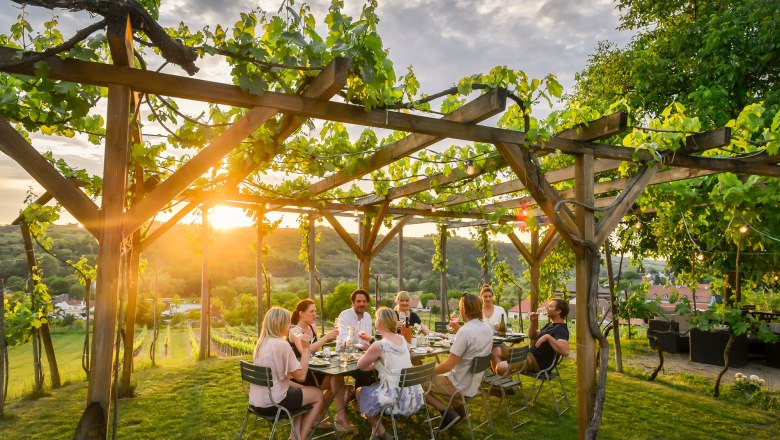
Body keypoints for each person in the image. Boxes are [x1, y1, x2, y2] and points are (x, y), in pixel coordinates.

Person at [250, 307, 324, 440]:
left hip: (257, 402)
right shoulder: (281, 344)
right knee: (318, 394)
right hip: (274, 404)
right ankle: (301, 438)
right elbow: (301, 376)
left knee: (304, 392)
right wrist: (306, 349)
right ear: (280, 324)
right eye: (288, 322)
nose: (290, 325)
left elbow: (281, 378)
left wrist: (304, 388)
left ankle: (294, 436)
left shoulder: (261, 343)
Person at [425, 293, 493, 432]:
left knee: (418, 382)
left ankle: (447, 413)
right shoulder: (487, 328)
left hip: (459, 385)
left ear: (463, 309)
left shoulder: (465, 331)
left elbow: (448, 365)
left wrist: (426, 371)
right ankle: (460, 414)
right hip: (474, 384)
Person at [356, 307, 424, 440]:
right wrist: (378, 363)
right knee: (374, 388)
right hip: (414, 396)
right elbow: (391, 363)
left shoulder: (379, 345)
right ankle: (375, 433)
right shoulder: (402, 340)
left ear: (379, 322)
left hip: (397, 402)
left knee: (360, 392)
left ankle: (381, 432)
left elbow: (360, 366)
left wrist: (371, 356)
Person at [288, 299, 351, 431]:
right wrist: (326, 338)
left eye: (315, 311)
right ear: (301, 313)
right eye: (311, 311)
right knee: (337, 382)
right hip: (301, 374)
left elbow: (314, 352)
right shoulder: (294, 331)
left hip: (314, 369)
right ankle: (320, 417)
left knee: (337, 378)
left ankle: (319, 417)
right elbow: (306, 350)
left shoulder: (312, 327)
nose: (314, 314)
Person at [495, 299, 570, 375]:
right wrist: (533, 322)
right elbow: (532, 335)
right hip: (528, 353)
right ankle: (503, 382)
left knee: (500, 367)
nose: (546, 308)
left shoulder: (561, 329)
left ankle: (503, 383)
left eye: (550, 306)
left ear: (558, 311)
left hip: (536, 362)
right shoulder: (550, 325)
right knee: (496, 350)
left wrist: (548, 337)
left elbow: (565, 352)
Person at [480, 285, 508, 372]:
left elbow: (505, 328)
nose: (488, 299)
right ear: (481, 297)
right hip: (481, 343)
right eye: (485, 296)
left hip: (497, 343)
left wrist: (500, 327)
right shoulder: (478, 311)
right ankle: (501, 377)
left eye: (490, 296)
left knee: (494, 350)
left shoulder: (500, 310)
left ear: (493, 297)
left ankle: (499, 376)